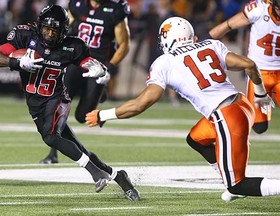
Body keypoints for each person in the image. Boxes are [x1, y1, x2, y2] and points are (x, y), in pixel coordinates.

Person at [85, 17, 280, 202]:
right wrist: (261, 94)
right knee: (196, 139)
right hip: (243, 105)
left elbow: (142, 103)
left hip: (226, 115)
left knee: (238, 185)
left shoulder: (165, 62)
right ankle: (226, 174)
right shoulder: (211, 45)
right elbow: (250, 64)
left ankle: (233, 183)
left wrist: (104, 115)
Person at [0, 4, 139, 201]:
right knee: (79, 149)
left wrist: (98, 69)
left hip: (57, 98)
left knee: (51, 137)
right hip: (35, 102)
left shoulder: (72, 45)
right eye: (47, 29)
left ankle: (95, 174)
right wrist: (16, 63)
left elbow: (87, 61)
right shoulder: (25, 35)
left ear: (64, 30)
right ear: (39, 26)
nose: (50, 34)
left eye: (55, 30)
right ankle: (119, 177)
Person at [40, 0, 131, 164]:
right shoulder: (77, 4)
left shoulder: (115, 9)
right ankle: (53, 152)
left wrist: (107, 69)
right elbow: (63, 27)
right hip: (75, 61)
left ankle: (100, 93)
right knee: (58, 105)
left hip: (97, 66)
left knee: (82, 116)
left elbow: (124, 44)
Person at [209, 0, 280, 134]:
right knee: (259, 127)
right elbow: (229, 25)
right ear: (273, 5)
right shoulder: (259, 9)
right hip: (259, 73)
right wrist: (208, 38)